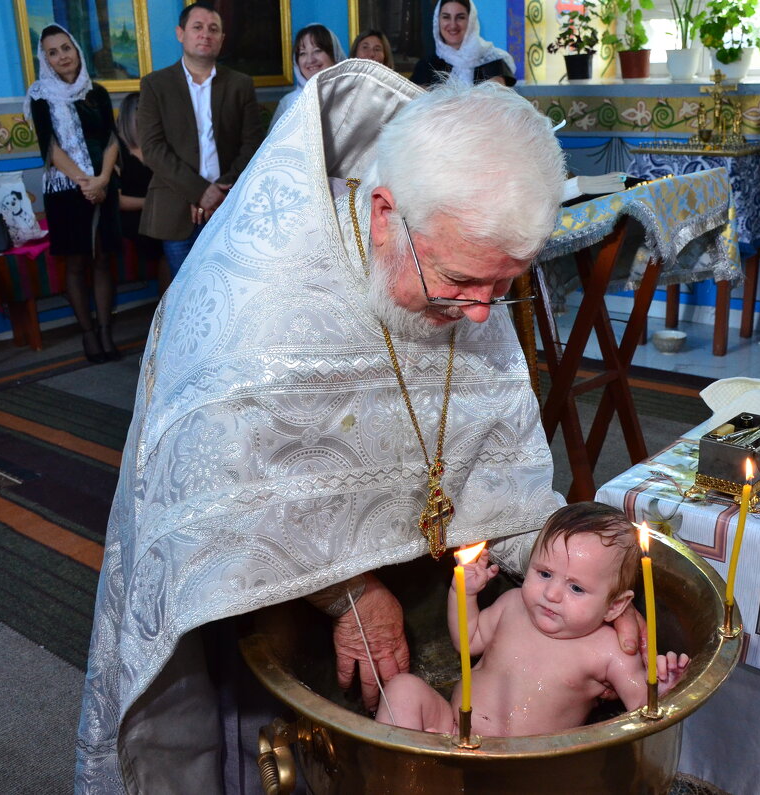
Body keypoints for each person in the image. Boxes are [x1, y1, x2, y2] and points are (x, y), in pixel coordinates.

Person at [74, 63, 645, 793]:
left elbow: (495, 452)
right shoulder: (262, 304)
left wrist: (602, 595)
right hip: (257, 604)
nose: (481, 313)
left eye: (502, 287)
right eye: (464, 284)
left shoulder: (462, 254)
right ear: (385, 213)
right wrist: (347, 592)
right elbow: (233, 491)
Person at [379, 502, 690, 736]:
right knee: (402, 688)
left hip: (525, 762)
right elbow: (467, 641)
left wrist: (661, 688)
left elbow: (640, 706)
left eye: (576, 588)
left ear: (614, 606)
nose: (552, 593)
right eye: (543, 573)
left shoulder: (609, 650)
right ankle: (401, 770)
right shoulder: (513, 604)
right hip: (452, 728)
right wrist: (464, 594)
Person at [137, 1, 263, 276]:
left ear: (222, 39)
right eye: (197, 27)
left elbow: (253, 144)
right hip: (177, 210)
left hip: (229, 207)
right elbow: (153, 149)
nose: (206, 34)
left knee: (232, 289)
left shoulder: (240, 84)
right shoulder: (155, 85)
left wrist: (219, 193)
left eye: (213, 29)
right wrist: (199, 191)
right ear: (180, 33)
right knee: (187, 298)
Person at [24, 25, 121, 364]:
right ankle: (89, 334)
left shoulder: (97, 93)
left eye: (66, 47)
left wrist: (103, 179)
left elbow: (111, 139)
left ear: (77, 50)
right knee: (77, 262)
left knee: (103, 260)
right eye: (53, 52)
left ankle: (107, 330)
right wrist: (85, 182)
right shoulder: (39, 96)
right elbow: (49, 147)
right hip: (66, 190)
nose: (62, 56)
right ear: (45, 59)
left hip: (103, 185)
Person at [114, 92, 169, 294]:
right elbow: (116, 201)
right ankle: (165, 309)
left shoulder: (156, 146)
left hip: (161, 209)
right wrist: (153, 202)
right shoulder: (116, 149)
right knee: (169, 242)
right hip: (132, 215)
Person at [411, 0, 516, 87]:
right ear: (437, 21)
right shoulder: (426, 66)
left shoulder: (493, 62)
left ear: (471, 21)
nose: (453, 25)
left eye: (460, 17)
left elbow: (496, 105)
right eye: (446, 17)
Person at [268, 23, 346, 130]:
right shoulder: (288, 103)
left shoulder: (349, 95)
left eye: (317, 50)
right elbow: (273, 144)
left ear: (334, 55)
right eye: (303, 53)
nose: (310, 60)